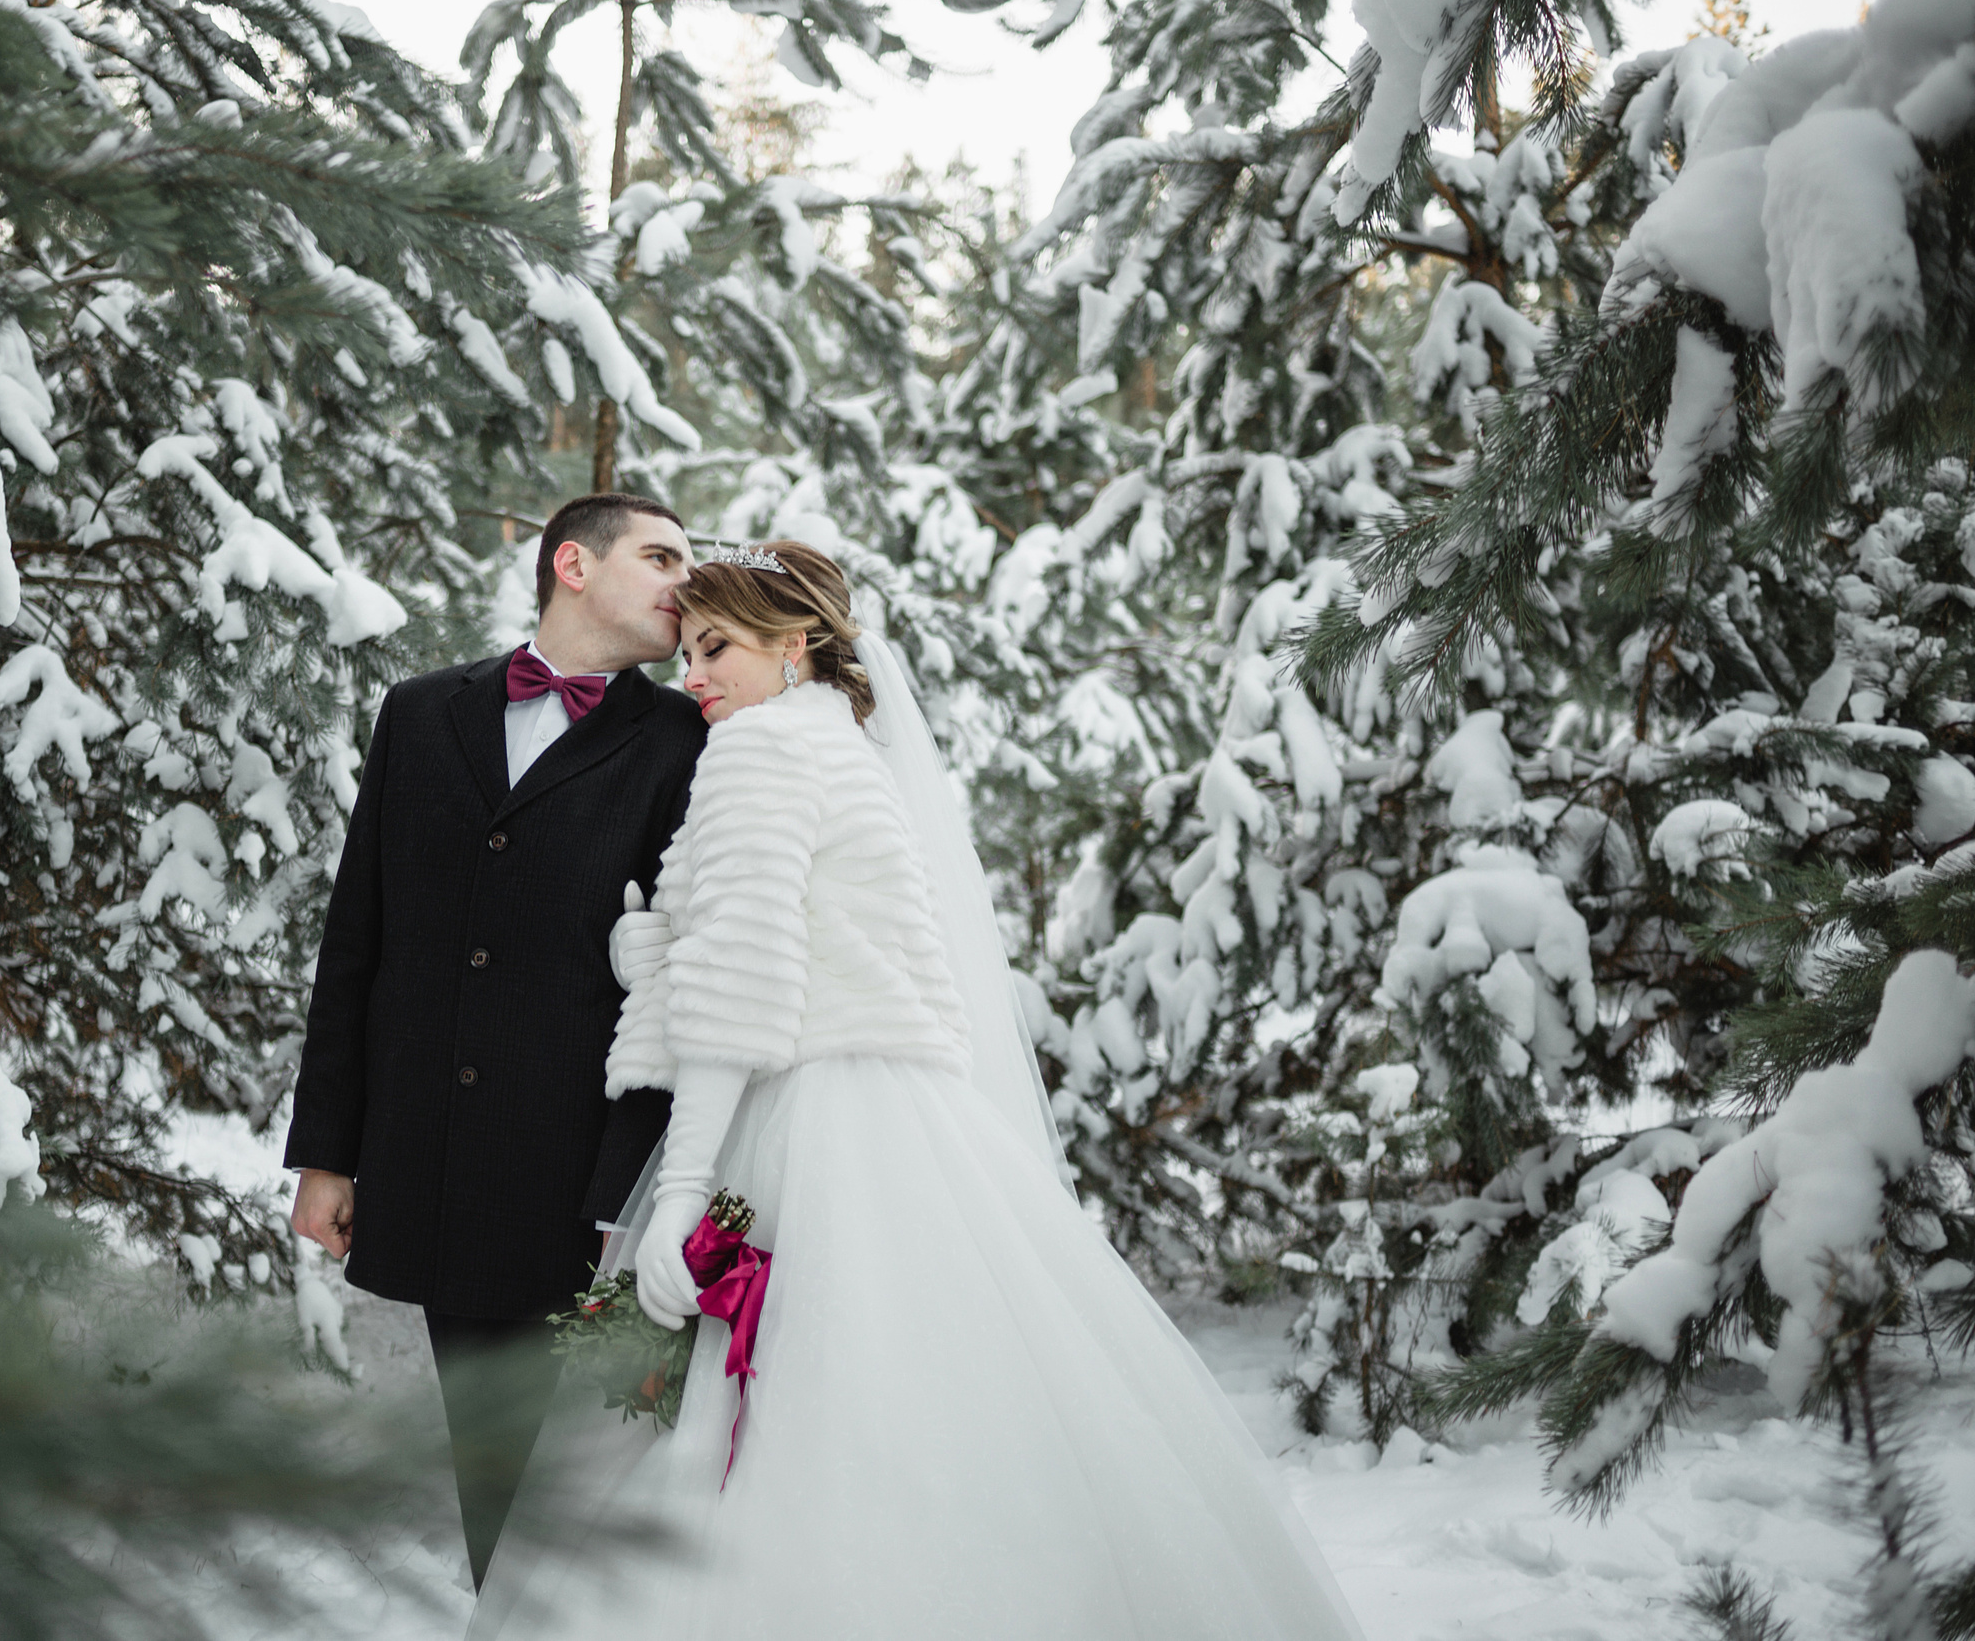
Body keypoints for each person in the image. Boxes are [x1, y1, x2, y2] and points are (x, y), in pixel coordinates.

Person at [468, 542, 1366, 1641]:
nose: (692, 674)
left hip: (792, 1114)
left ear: (795, 643)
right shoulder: (843, 750)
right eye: (688, 649)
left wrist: (689, 1187)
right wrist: (650, 948)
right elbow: (812, 943)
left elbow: (742, 990)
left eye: (716, 649)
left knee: (765, 1419)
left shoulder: (756, 755)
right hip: (899, 1117)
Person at [284, 494, 709, 1588]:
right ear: (573, 563)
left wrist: (651, 1180)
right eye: (660, 556)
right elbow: (358, 937)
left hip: (592, 1174)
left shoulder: (684, 735)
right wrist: (330, 1151)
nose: (683, 582)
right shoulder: (420, 713)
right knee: (489, 1462)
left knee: (590, 1471)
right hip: (434, 1156)